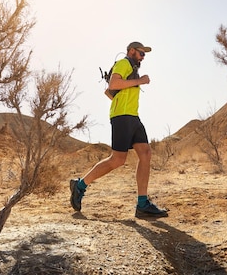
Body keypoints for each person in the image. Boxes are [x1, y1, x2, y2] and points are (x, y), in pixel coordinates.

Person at [70, 41, 168, 218]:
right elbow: (113, 85)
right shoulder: (123, 63)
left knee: (145, 153)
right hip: (122, 117)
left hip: (133, 116)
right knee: (117, 160)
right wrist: (141, 81)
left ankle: (142, 204)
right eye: (141, 53)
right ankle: (80, 185)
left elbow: (113, 92)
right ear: (131, 51)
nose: (143, 57)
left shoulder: (132, 69)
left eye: (144, 54)